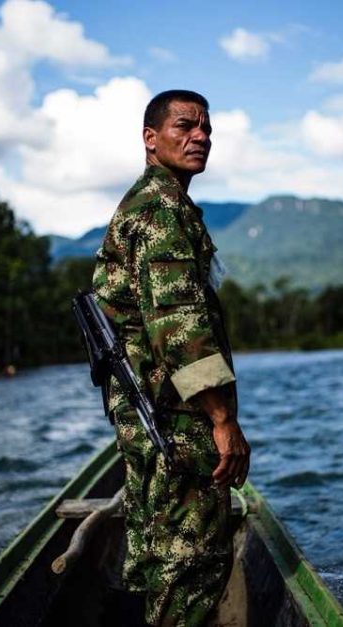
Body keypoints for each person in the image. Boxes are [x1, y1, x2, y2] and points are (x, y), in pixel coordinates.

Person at [92, 89, 251, 626]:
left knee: (163, 560)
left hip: (150, 417)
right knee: (192, 567)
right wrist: (223, 419)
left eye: (206, 128)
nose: (201, 136)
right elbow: (179, 326)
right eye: (185, 126)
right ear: (150, 139)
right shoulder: (161, 210)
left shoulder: (151, 204)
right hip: (175, 419)